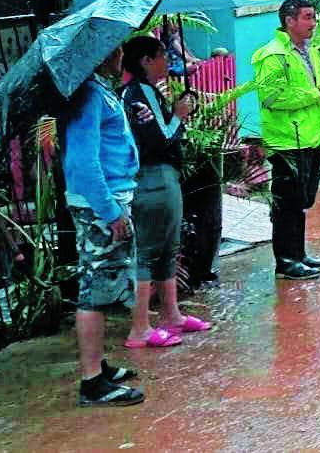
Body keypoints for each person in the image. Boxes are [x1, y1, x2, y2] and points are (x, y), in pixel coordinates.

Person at [60, 45, 144, 406]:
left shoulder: (99, 90)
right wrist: (110, 211)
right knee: (93, 292)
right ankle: (92, 382)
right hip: (100, 207)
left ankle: (97, 367)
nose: (121, 53)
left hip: (109, 200)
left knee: (104, 286)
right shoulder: (89, 95)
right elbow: (82, 161)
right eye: (116, 49)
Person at [120, 35, 211, 347]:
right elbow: (160, 137)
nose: (167, 62)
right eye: (161, 55)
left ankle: (171, 314)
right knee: (147, 251)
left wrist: (175, 111)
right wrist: (180, 114)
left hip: (162, 178)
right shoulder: (138, 94)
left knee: (167, 249)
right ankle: (140, 327)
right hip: (152, 177)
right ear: (146, 61)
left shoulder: (145, 92)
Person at [251, 0, 320, 280]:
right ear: (289, 21)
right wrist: (316, 95)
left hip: (310, 137)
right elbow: (272, 98)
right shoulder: (272, 56)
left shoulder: (310, 52)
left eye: (314, 17)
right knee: (287, 202)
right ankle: (286, 261)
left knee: (302, 200)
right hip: (287, 141)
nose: (313, 23)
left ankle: (298, 254)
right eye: (308, 17)